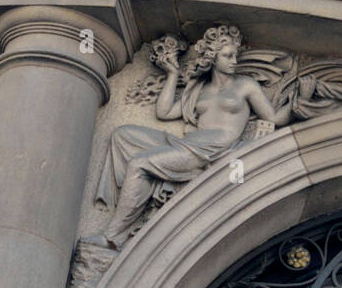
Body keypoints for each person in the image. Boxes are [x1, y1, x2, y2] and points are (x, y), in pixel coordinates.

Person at [85, 26, 290, 249]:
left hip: (213, 149)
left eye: (235, 56)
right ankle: (131, 200)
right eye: (227, 56)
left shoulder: (245, 86)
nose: (234, 61)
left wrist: (297, 100)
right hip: (191, 143)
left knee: (139, 164)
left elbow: (275, 117)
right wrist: (172, 74)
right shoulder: (199, 89)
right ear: (212, 58)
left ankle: (112, 236)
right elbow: (164, 113)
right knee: (123, 135)